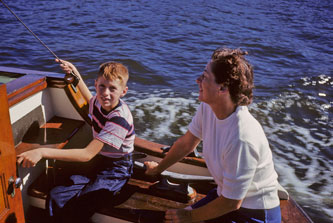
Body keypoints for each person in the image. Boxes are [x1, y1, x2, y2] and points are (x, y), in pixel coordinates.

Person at [145, 47, 281, 223]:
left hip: (254, 214)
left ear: (222, 88)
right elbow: (186, 144)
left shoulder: (242, 137)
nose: (197, 80)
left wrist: (188, 216)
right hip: (224, 197)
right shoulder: (208, 108)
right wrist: (157, 169)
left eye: (205, 77)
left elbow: (232, 203)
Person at [17, 59, 135, 222]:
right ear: (96, 84)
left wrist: (41, 152)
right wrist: (75, 72)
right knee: (57, 195)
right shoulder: (99, 103)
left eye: (112, 88)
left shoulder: (119, 120)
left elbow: (87, 154)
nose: (105, 93)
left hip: (117, 168)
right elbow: (88, 98)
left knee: (84, 200)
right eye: (102, 86)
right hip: (100, 159)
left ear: (123, 92)